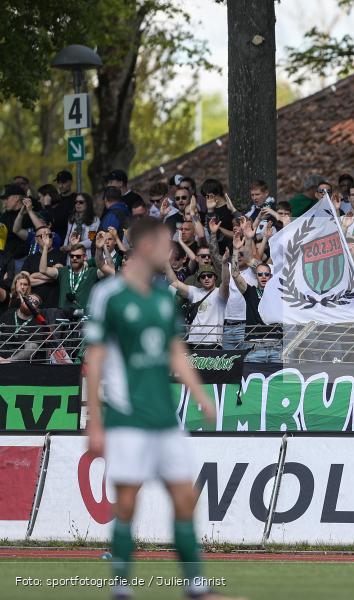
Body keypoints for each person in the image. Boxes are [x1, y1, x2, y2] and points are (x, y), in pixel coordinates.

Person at [83, 218, 239, 600]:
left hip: (164, 417)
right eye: (165, 244)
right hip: (126, 417)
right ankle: (121, 588)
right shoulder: (109, 295)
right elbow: (96, 358)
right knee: (127, 503)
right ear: (145, 245)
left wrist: (201, 395)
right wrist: (95, 421)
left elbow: (175, 351)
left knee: (186, 496)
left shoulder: (160, 297)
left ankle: (196, 588)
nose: (170, 252)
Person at [166, 257, 230, 349]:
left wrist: (224, 264)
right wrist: (166, 262)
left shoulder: (220, 293)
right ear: (199, 280)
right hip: (192, 341)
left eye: (209, 275)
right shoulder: (194, 291)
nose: (206, 278)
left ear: (215, 277)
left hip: (212, 343)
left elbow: (226, 282)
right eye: (203, 276)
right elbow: (174, 282)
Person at [39, 240, 111, 315]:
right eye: (72, 256)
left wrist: (103, 249)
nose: (74, 258)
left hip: (83, 317)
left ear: (85, 257)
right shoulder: (63, 271)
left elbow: (110, 271)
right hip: (63, 316)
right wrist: (45, 247)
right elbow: (43, 269)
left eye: (78, 256)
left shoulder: (92, 272)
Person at [231, 256, 280, 363]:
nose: (263, 277)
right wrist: (235, 250)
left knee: (278, 380)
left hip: (276, 346)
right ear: (256, 276)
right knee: (253, 379)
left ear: (271, 276)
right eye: (260, 274)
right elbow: (235, 274)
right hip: (255, 347)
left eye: (266, 274)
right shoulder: (250, 292)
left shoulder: (279, 294)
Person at [0, 293, 45, 362]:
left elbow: (30, 349)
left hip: (16, 363)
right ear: (23, 300)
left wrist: (9, 361)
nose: (30, 302)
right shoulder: (9, 313)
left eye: (35, 302)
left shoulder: (37, 323)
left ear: (37, 309)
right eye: (29, 299)